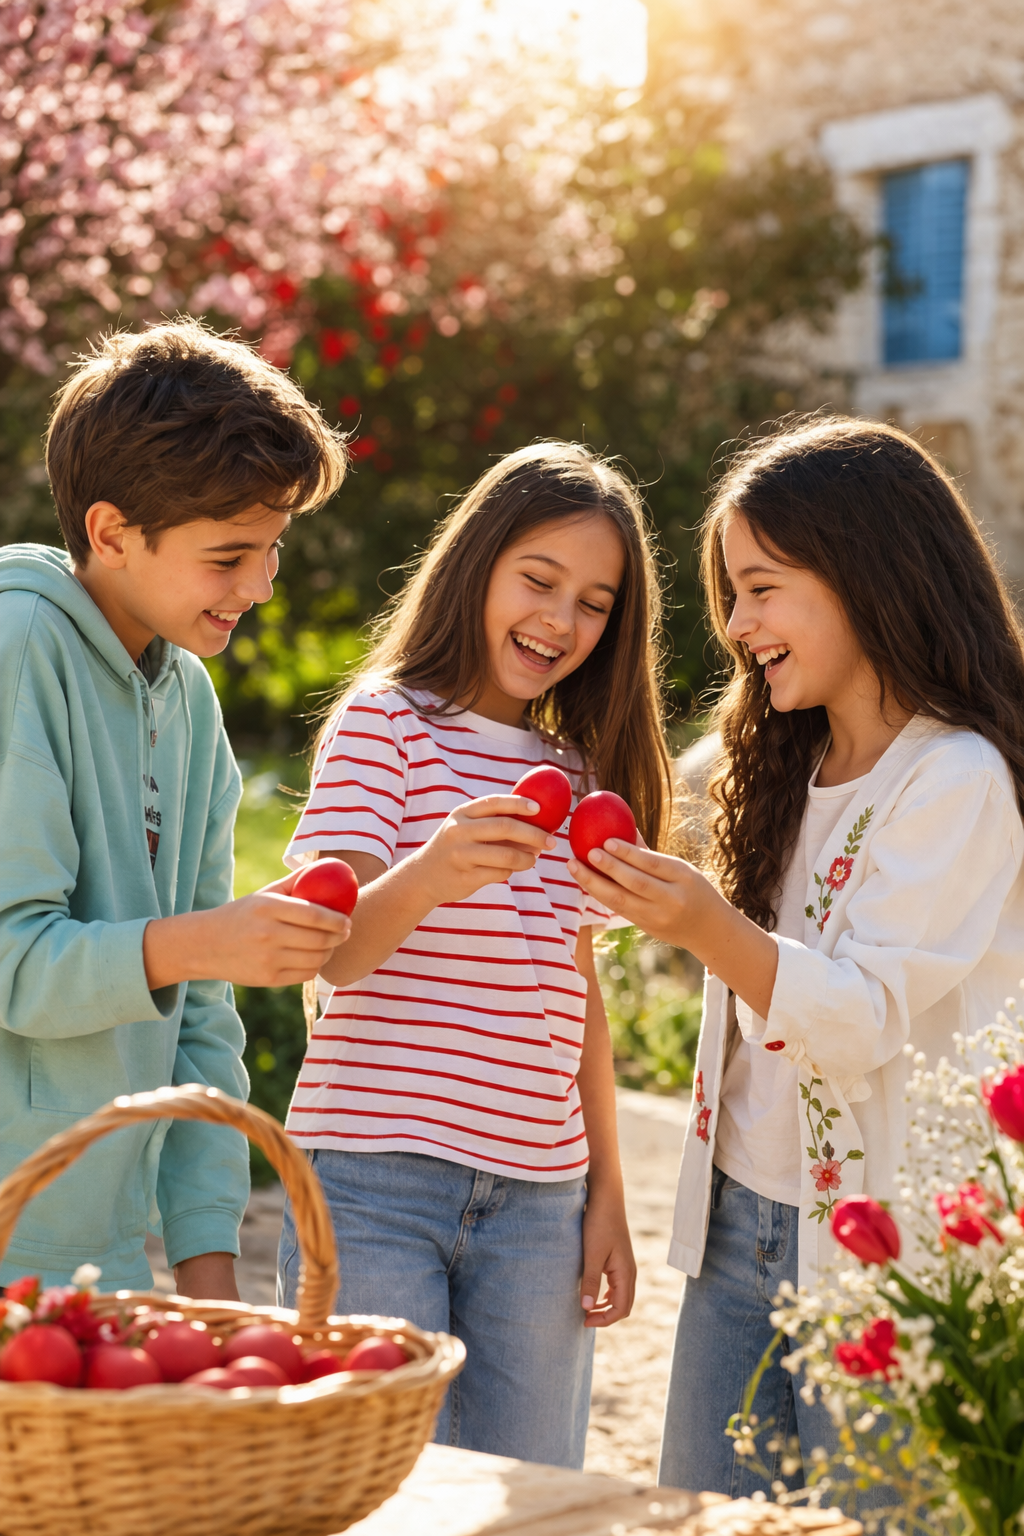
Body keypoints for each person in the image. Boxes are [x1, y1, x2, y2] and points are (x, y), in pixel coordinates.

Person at [568, 417, 1024, 1497]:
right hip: (738, 1223)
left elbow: (864, 1017)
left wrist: (704, 927)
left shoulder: (955, 777)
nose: (735, 624)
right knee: (700, 1513)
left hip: (889, 1260)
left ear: (866, 575)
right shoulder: (778, 761)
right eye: (731, 591)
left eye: (762, 588)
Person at [276, 441, 673, 1467]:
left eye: (594, 601)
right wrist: (432, 871)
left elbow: (574, 991)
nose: (559, 620)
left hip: (540, 1203)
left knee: (531, 1494)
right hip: (372, 1183)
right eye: (538, 580)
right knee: (371, 1485)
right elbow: (331, 951)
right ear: (478, 565)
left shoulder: (578, 773)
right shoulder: (384, 725)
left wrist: (607, 1201)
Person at [0, 319, 352, 1299]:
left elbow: (203, 1013)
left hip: (92, 1264)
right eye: (230, 555)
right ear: (111, 533)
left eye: (273, 549)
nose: (262, 586)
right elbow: (12, 962)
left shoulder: (186, 696)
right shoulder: (18, 650)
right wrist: (205, 942)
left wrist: (210, 1281)